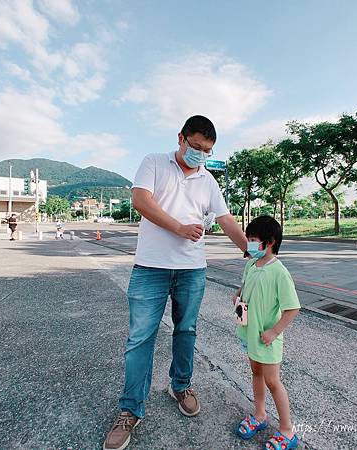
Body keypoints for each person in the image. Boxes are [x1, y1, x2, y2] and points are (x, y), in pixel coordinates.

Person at [103, 115, 248, 450]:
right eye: (195, 147)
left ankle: (180, 386)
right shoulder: (154, 163)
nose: (200, 154)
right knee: (139, 339)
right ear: (181, 138)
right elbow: (141, 201)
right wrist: (179, 228)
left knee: (187, 331)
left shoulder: (209, 181)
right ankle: (130, 410)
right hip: (150, 268)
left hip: (191, 269)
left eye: (206, 151)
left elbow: (226, 219)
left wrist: (252, 251)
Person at [233, 215, 301, 450]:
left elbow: (293, 308)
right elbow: (244, 287)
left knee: (273, 381)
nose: (249, 244)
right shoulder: (251, 264)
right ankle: (260, 415)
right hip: (250, 334)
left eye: (253, 239)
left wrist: (274, 331)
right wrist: (238, 296)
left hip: (267, 339)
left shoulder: (279, 272)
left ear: (269, 242)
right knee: (256, 372)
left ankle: (287, 430)